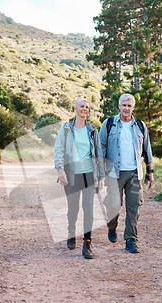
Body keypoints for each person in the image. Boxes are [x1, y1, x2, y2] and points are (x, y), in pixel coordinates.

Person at [99, 93, 154, 253]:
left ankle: (131, 239)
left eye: (129, 106)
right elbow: (101, 149)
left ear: (133, 107)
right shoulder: (109, 123)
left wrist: (150, 171)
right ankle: (112, 225)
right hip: (114, 174)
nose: (126, 108)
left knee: (134, 207)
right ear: (119, 106)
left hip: (135, 173)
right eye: (124, 105)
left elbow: (147, 151)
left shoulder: (140, 125)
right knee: (113, 206)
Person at [54, 98, 105, 259]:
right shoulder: (66, 128)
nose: (85, 109)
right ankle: (71, 231)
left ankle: (87, 243)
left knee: (88, 208)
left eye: (87, 107)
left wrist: (101, 176)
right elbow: (58, 149)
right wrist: (60, 169)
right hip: (71, 174)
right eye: (82, 106)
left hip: (89, 173)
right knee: (73, 208)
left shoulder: (92, 130)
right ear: (75, 109)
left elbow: (98, 153)